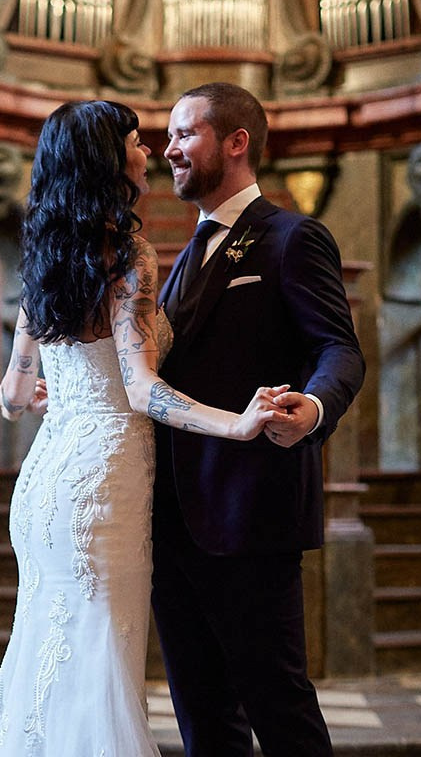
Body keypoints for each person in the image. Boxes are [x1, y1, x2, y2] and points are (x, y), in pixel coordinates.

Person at [0, 100, 290, 757]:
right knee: (99, 663)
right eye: (138, 143)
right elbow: (143, 390)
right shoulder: (128, 256)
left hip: (44, 483)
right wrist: (236, 424)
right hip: (104, 482)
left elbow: (8, 394)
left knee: (43, 651)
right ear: (109, 161)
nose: (150, 153)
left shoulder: (42, 260)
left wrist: (47, 394)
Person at [153, 82, 366, 757]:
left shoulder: (290, 237)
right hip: (172, 521)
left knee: (280, 710)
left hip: (250, 513)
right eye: (168, 137)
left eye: (185, 134)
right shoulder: (184, 257)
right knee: (203, 718)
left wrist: (316, 406)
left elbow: (340, 347)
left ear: (236, 142)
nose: (169, 150)